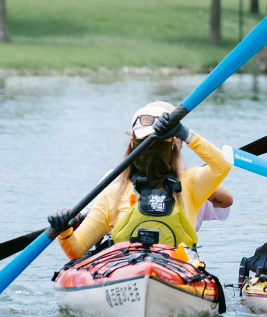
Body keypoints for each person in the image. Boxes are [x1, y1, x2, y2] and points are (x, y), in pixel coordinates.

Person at [49, 101, 231, 259]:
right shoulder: (112, 193)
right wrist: (64, 231)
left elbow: (223, 164)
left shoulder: (190, 183)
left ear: (174, 146)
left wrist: (186, 134)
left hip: (176, 271)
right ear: (132, 143)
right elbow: (77, 250)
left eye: (160, 144)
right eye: (145, 141)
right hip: (126, 268)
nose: (152, 149)